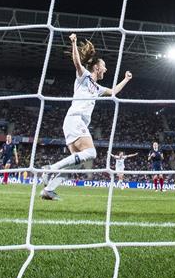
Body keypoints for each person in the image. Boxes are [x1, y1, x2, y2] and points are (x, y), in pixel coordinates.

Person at [40, 34, 132, 200]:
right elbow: (76, 62)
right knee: (91, 153)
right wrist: (74, 43)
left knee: (76, 164)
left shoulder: (97, 87)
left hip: (73, 122)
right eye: (103, 66)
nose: (105, 69)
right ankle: (50, 168)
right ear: (96, 67)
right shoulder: (84, 77)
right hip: (75, 119)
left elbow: (113, 92)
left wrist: (125, 79)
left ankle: (48, 190)